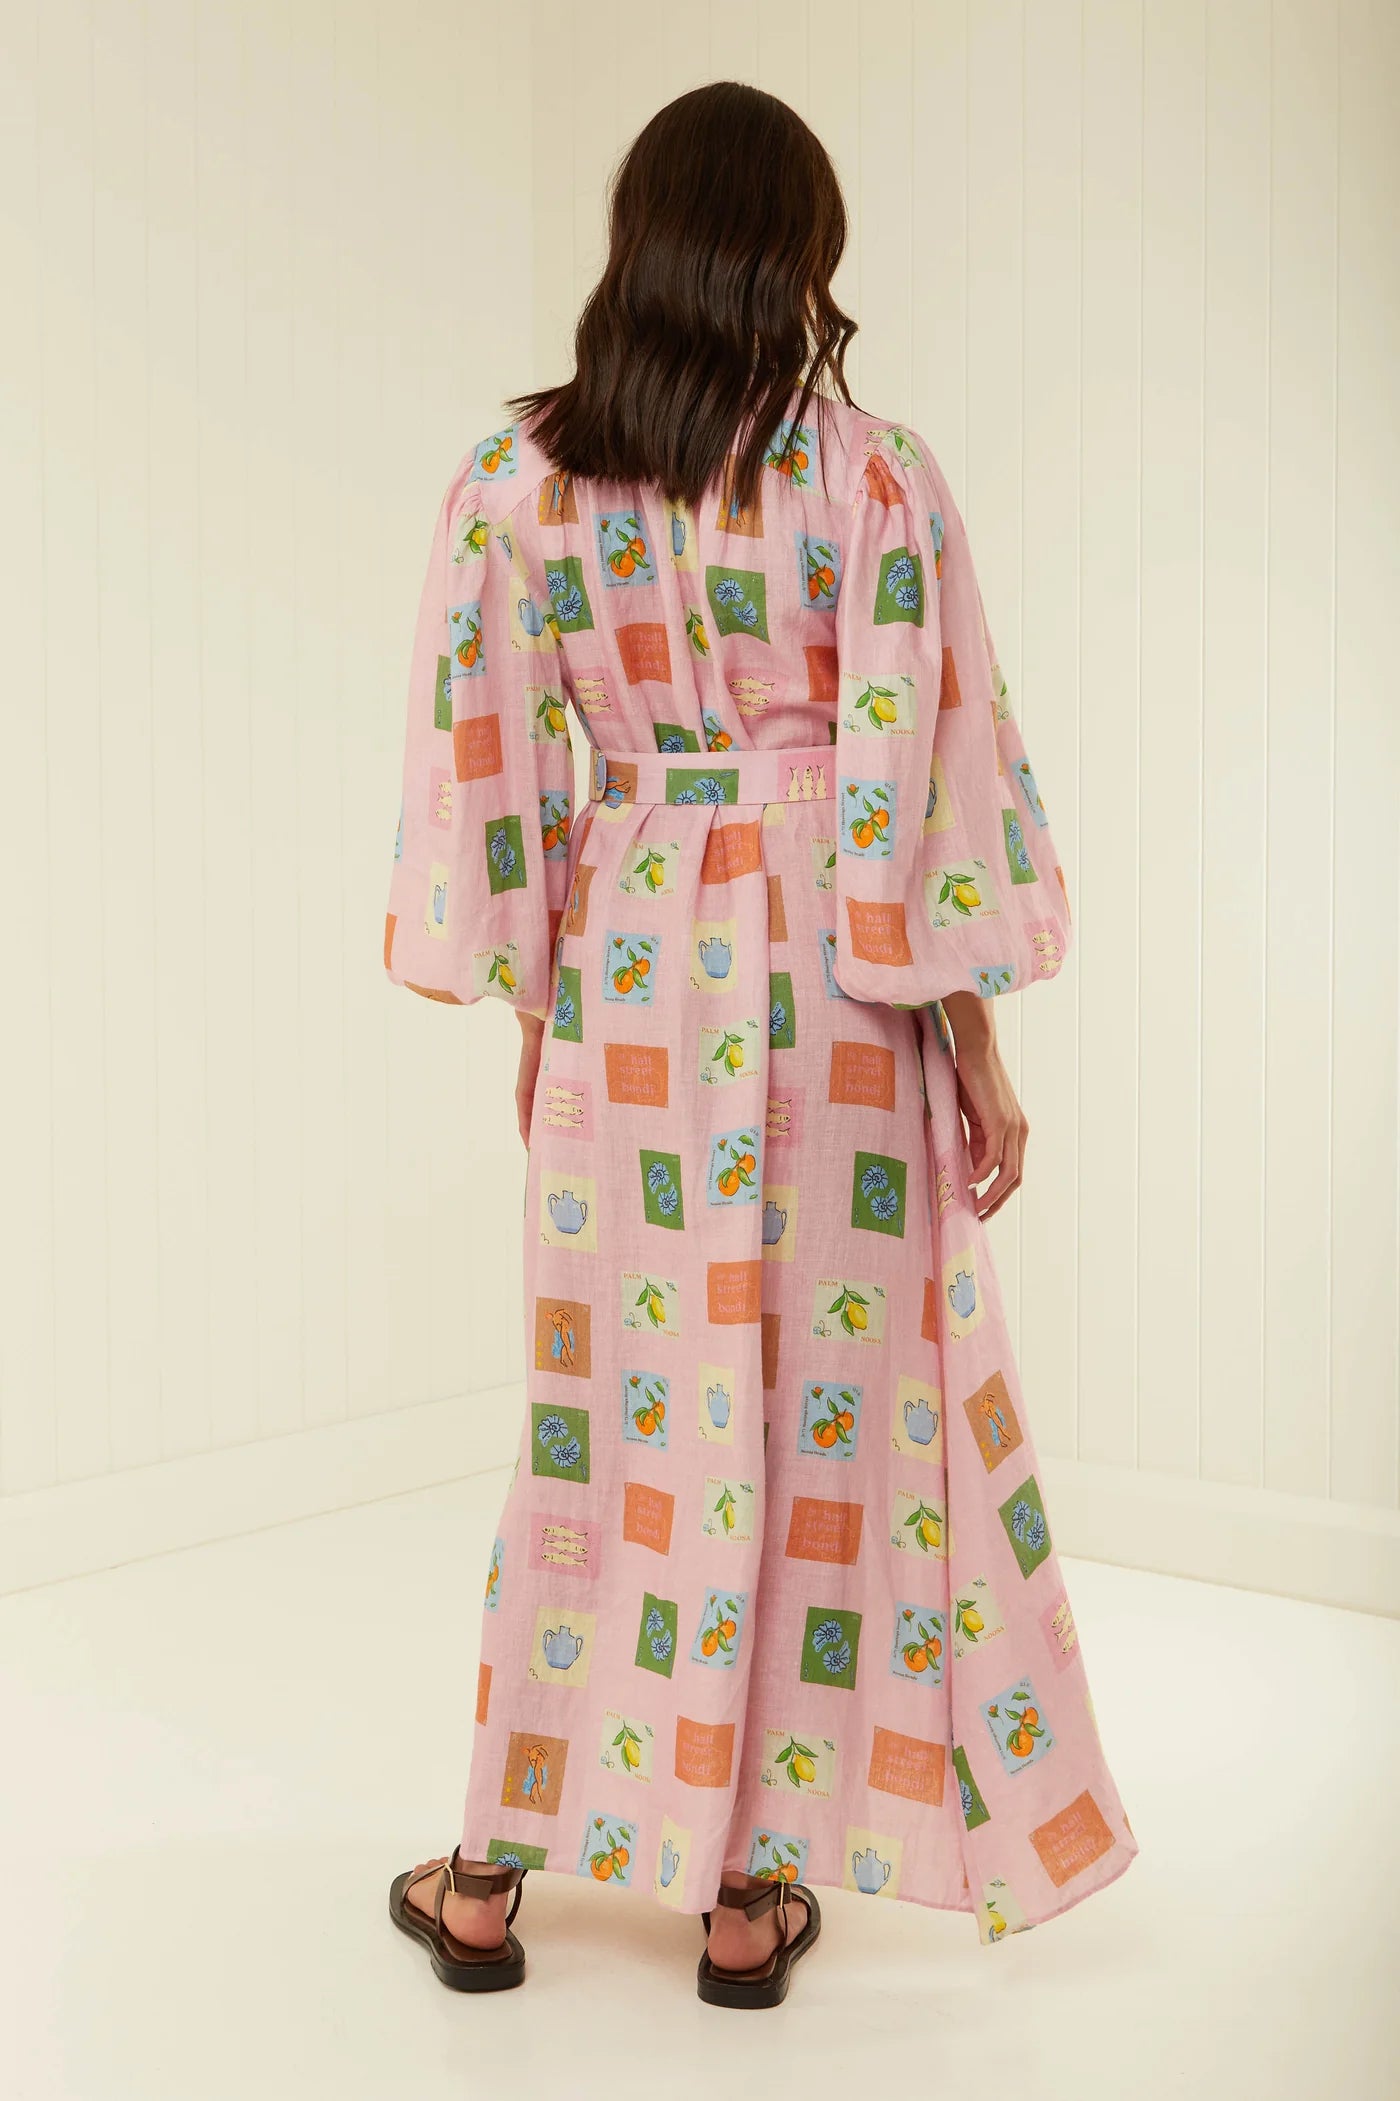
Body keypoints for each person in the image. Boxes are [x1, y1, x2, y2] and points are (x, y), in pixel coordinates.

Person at [381, 79, 1137, 2008]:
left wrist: (543, 1003)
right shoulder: (867, 479)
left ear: (638, 239)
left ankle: (491, 1870)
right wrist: (975, 1046)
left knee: (608, 1417)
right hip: (835, 983)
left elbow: (493, 770)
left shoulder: (519, 481)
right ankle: (741, 1894)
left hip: (631, 970)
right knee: (813, 1429)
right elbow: (915, 795)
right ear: (795, 250)